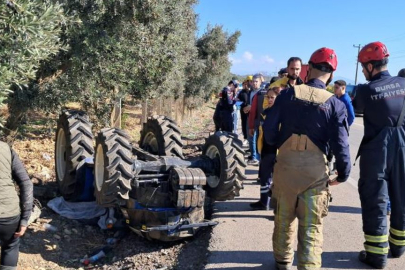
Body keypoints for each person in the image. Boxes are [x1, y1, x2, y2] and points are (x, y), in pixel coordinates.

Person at [263, 47, 351, 270]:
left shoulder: (287, 95)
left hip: (285, 168)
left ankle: (282, 261)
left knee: (283, 219)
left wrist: (277, 150)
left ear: (308, 68)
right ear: (331, 75)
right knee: (311, 227)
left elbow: (270, 130)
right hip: (314, 173)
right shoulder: (336, 104)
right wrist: (343, 172)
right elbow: (341, 145)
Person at [353, 41, 405, 269]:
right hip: (403, 147)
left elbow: (356, 109)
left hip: (377, 151)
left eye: (364, 67)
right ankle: (399, 247)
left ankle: (376, 255)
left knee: (375, 200)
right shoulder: (404, 83)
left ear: (371, 66)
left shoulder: (366, 90)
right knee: (402, 198)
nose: (364, 72)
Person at [0, 141, 33, 270]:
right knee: (10, 246)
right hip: (9, 215)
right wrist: (25, 219)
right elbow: (26, 184)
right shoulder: (5, 148)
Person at [250, 87, 278, 210]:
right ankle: (263, 202)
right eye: (268, 97)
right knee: (264, 177)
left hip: (276, 151)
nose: (269, 99)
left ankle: (276, 206)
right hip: (265, 149)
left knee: (276, 180)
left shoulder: (280, 114)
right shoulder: (265, 112)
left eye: (272, 97)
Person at [243, 74, 263, 165]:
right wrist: (246, 108)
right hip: (250, 118)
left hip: (259, 119)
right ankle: (254, 156)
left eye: (256, 81)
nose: (254, 83)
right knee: (251, 138)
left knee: (259, 138)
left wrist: (251, 107)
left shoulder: (263, 92)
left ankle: (258, 157)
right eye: (253, 82)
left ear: (260, 82)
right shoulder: (250, 92)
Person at [238, 79, 250, 146]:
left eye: (246, 84)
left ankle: (249, 138)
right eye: (244, 84)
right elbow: (238, 99)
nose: (245, 86)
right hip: (243, 111)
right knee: (244, 124)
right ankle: (245, 138)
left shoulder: (250, 92)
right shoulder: (241, 92)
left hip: (250, 111)